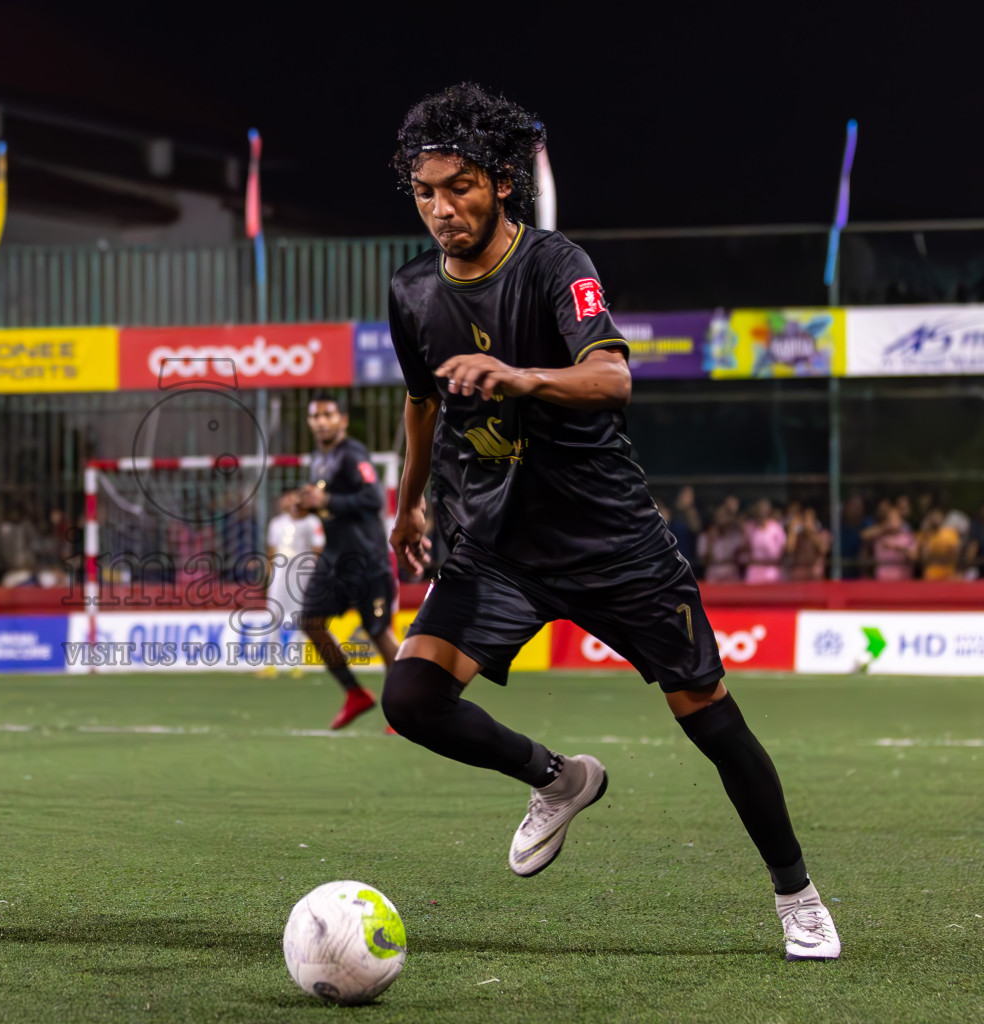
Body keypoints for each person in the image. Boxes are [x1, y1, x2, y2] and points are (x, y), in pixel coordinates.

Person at [381, 82, 838, 961]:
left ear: (502, 181)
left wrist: (517, 375)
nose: (443, 208)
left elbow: (613, 380)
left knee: (709, 717)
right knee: (411, 696)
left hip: (610, 540)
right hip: (495, 545)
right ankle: (558, 779)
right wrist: (408, 503)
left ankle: (798, 895)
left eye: (462, 185)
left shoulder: (559, 265)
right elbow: (419, 401)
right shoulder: (410, 291)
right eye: (426, 191)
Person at [295, 392, 400, 728]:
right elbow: (325, 501)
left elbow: (372, 498)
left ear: (340, 419)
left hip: (366, 559)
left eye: (328, 415)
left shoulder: (353, 453)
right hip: (335, 559)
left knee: (379, 632)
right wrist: (304, 505)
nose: (321, 422)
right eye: (315, 416)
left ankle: (406, 709)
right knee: (310, 621)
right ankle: (355, 693)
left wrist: (327, 499)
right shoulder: (318, 459)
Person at [256, 491, 325, 677]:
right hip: (280, 573)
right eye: (286, 498)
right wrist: (268, 574)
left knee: (299, 616)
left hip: (300, 575)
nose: (289, 501)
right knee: (274, 614)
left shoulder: (312, 522)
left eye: (293, 498)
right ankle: (271, 662)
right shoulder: (276, 523)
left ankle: (297, 662)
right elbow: (272, 549)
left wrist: (312, 571)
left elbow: (318, 546)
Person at [743, 499, 787, 584]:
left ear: (769, 512)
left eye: (764, 511)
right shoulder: (750, 528)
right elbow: (745, 547)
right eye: (759, 511)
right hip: (755, 570)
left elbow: (783, 546)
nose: (761, 513)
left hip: (772, 570)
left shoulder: (775, 527)